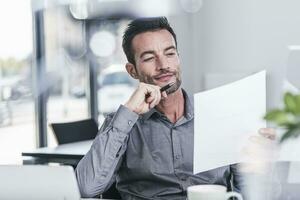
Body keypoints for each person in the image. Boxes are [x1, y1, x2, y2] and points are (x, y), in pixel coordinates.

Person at [76, 17, 275, 200]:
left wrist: (261, 164)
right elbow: (86, 188)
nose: (163, 65)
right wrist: (130, 111)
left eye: (170, 53)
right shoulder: (122, 124)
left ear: (178, 58)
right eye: (148, 57)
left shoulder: (220, 116)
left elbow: (252, 193)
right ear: (132, 70)